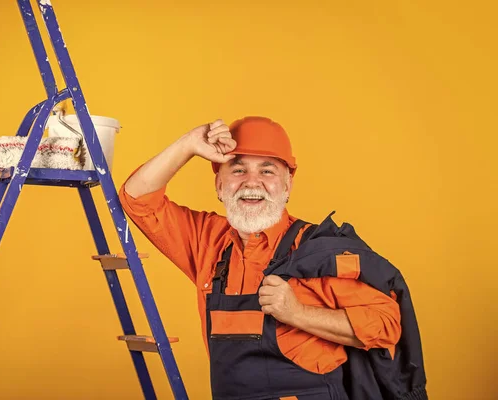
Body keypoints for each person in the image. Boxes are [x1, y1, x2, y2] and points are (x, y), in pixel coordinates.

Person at [118, 116, 402, 400]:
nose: (251, 182)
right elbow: (136, 198)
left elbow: (385, 326)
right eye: (238, 170)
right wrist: (189, 143)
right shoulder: (207, 241)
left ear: (287, 185)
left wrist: (297, 313)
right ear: (219, 185)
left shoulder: (317, 249)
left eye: (267, 171)